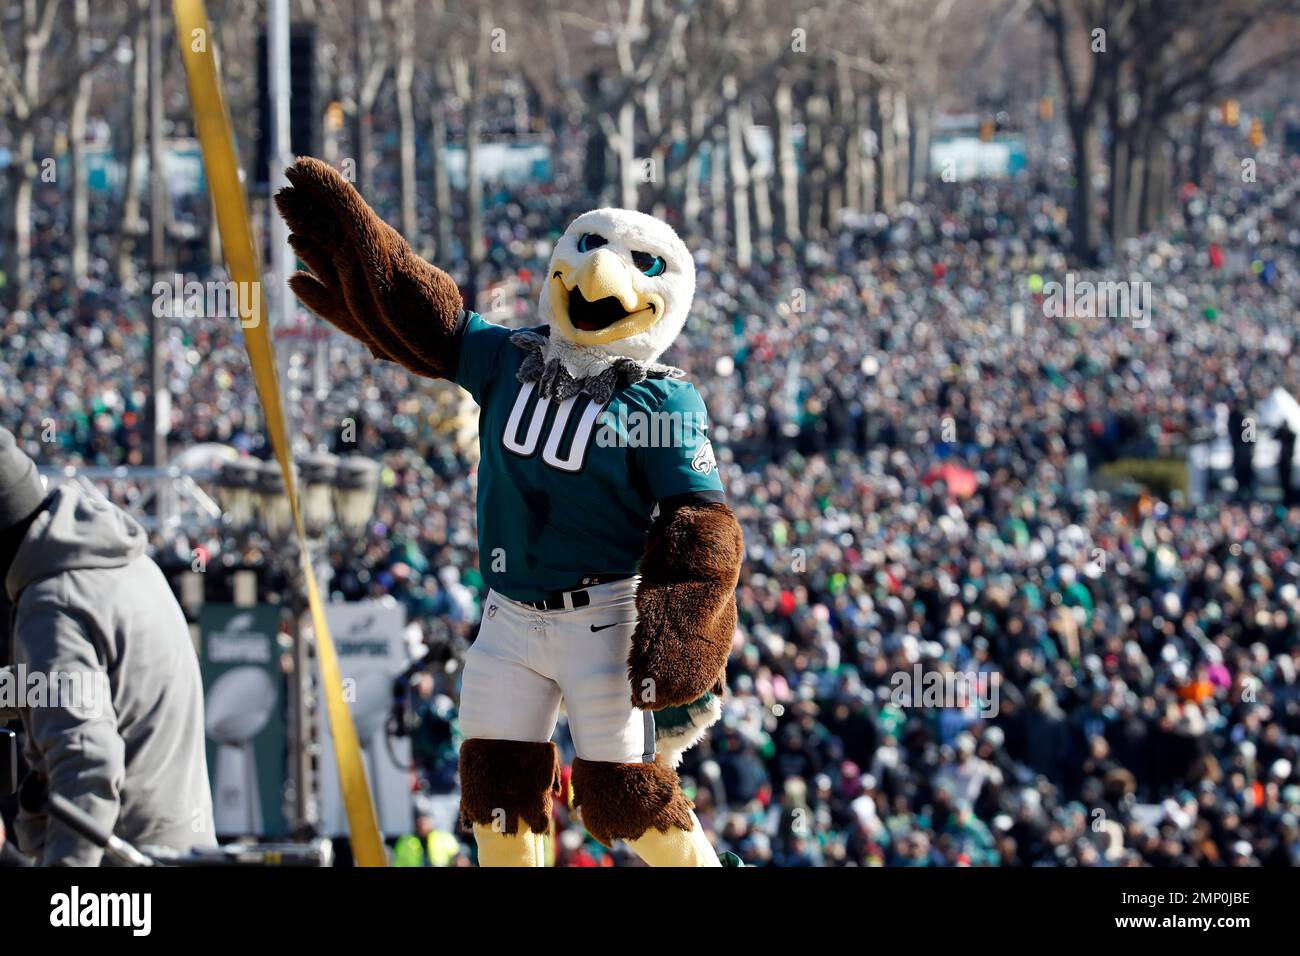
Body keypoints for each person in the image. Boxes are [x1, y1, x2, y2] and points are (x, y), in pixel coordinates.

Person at [0, 426, 215, 865]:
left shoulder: (54, 602)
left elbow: (86, 765)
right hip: (178, 849)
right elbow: (82, 694)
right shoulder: (121, 563)